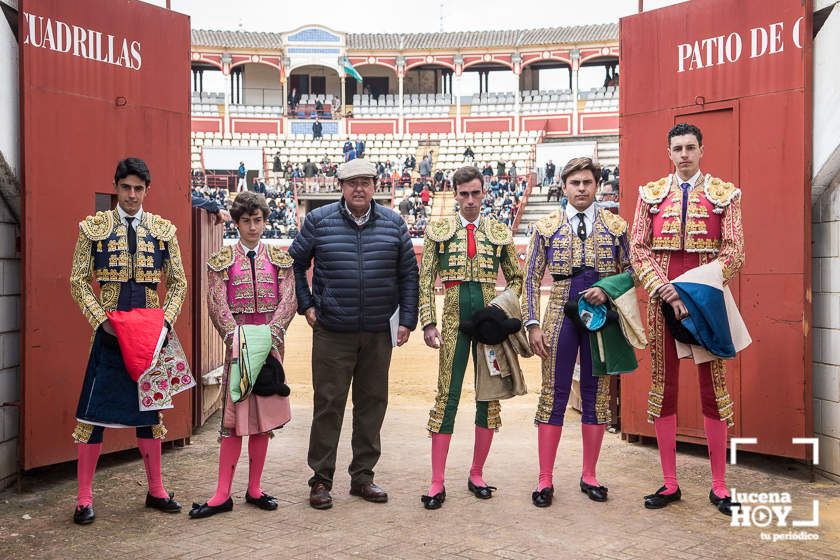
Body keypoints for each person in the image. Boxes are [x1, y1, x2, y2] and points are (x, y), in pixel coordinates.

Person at [289, 158, 419, 510]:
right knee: (328, 404)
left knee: (372, 404)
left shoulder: (393, 223)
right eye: (352, 183)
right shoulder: (319, 220)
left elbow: (409, 275)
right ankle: (320, 479)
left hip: (378, 331)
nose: (359, 188)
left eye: (365, 182)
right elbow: (295, 263)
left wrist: (407, 319)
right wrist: (306, 303)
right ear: (341, 187)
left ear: (375, 186)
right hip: (333, 330)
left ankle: (363, 476)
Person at [629, 123, 745, 515]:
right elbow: (639, 249)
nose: (683, 155)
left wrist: (694, 291)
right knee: (664, 384)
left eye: (690, 147)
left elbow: (734, 250)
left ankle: (719, 485)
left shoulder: (723, 194)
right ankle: (669, 482)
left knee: (714, 384)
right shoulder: (650, 194)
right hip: (663, 298)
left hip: (706, 297)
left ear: (701, 150)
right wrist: (667, 291)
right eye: (677, 148)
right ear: (668, 152)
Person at [69, 158, 187, 524]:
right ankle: (84, 499)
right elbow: (76, 279)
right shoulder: (94, 228)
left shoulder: (163, 231)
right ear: (116, 188)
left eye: (138, 188)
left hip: (150, 336)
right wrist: (100, 320)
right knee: (92, 417)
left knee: (149, 416)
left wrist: (166, 322)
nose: (132, 194)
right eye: (126, 187)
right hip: (109, 335)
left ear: (146, 191)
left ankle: (156, 491)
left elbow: (179, 282)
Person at [523, 157, 634, 508]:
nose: (582, 188)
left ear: (597, 185)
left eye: (588, 182)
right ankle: (545, 479)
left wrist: (610, 288)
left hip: (601, 316)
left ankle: (590, 474)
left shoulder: (617, 226)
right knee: (553, 393)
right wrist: (533, 323)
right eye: (575, 183)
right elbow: (529, 279)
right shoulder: (546, 226)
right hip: (558, 313)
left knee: (596, 392)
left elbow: (634, 271)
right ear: (565, 186)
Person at [418, 166, 523, 510]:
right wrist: (428, 322)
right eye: (463, 194)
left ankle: (476, 473)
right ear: (455, 194)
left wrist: (498, 308)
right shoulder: (438, 230)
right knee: (446, 394)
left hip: (488, 326)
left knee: (488, 397)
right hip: (451, 320)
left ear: (484, 192)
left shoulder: (498, 231)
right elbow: (425, 279)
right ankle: (436, 481)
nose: (470, 200)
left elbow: (518, 279)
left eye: (475, 193)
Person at [189, 192, 296, 519]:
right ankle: (223, 494)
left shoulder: (280, 260)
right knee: (232, 421)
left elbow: (288, 300)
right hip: (238, 349)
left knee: (262, 421)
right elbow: (216, 303)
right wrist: (237, 337)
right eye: (246, 221)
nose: (253, 227)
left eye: (258, 220)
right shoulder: (221, 262)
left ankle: (254, 488)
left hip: (270, 347)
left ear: (265, 221)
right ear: (236, 224)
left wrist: (270, 334)